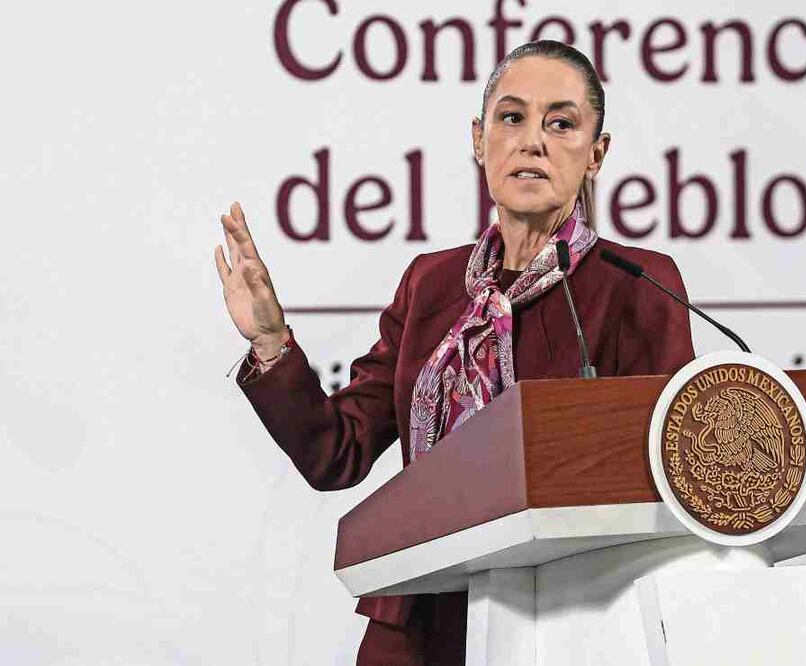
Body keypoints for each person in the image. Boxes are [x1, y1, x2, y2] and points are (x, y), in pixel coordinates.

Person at [214, 40, 695, 665]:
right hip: (419, 623)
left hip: (563, 624)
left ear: (596, 154)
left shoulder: (636, 284)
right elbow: (337, 452)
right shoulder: (431, 284)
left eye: (560, 124)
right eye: (512, 117)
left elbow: (670, 476)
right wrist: (271, 342)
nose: (532, 142)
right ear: (478, 140)